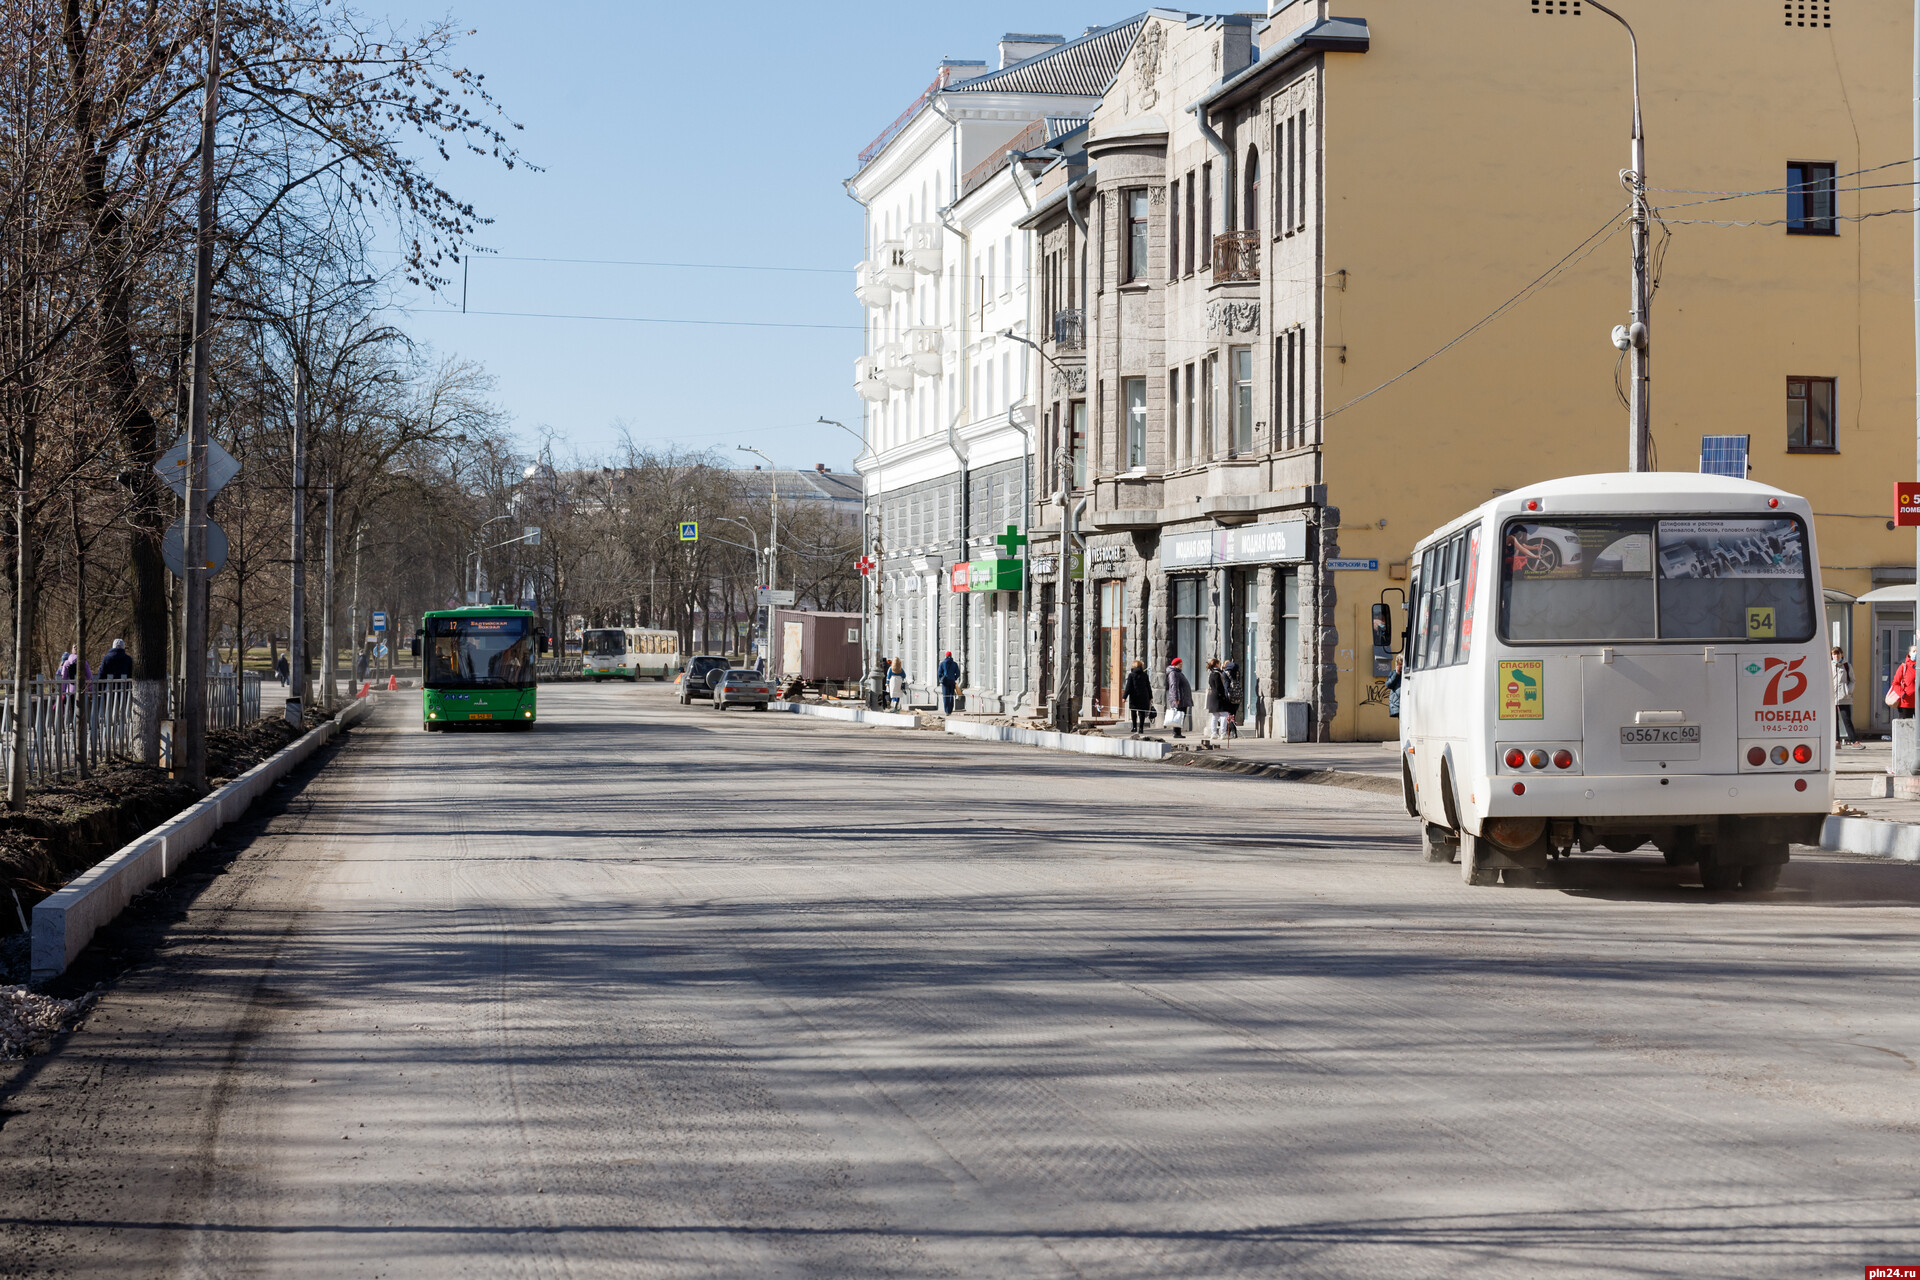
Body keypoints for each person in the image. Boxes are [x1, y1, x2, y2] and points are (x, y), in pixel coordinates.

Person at [1203, 658, 1233, 749]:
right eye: (1219, 663)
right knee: (1224, 714)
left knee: (1215, 716)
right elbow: (1219, 686)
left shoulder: (1211, 673)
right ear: (1216, 664)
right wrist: (1223, 695)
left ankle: (1214, 733)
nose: (1220, 664)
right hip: (1219, 697)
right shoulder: (1217, 674)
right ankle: (1222, 733)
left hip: (1213, 697)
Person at [1832, 646, 1856, 748]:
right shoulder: (1829, 666)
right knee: (1834, 720)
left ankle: (1854, 741)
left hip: (1844, 697)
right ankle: (1836, 741)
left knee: (1846, 719)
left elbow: (1852, 680)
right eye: (1834, 654)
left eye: (1838, 654)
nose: (1836, 656)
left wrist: (1848, 691)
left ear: (1841, 654)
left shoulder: (1846, 666)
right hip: (1832, 697)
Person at [1122, 658, 1154, 736]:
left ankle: (1134, 727)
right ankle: (1141, 728)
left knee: (1133, 711)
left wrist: (1124, 697)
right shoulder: (1145, 675)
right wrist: (1150, 696)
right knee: (1142, 712)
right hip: (1144, 696)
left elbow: (1128, 687)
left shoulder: (1131, 675)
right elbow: (1148, 686)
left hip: (1134, 696)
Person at [1164, 656, 1193, 740]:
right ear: (1177, 664)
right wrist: (1176, 698)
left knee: (1180, 715)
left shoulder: (1177, 672)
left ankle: (1178, 732)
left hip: (1182, 698)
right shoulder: (1173, 673)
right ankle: (1176, 732)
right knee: (1178, 715)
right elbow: (1174, 686)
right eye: (1180, 664)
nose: (1182, 666)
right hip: (1179, 699)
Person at [937, 650, 962, 714]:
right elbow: (958, 673)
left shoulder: (942, 664)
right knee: (951, 695)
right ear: (951, 656)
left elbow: (939, 673)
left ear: (946, 656)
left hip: (945, 682)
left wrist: (942, 678)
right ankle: (950, 710)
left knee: (945, 696)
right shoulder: (954, 664)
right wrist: (954, 678)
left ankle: (947, 710)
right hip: (952, 681)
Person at [1223, 659, 1243, 739]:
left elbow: (1226, 685)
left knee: (1229, 715)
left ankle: (1234, 732)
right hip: (1238, 696)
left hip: (1230, 696)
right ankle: (1230, 731)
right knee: (1233, 714)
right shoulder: (1237, 673)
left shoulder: (1226, 673)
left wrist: (1226, 696)